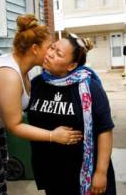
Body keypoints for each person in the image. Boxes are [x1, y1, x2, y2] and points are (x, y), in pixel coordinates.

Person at [0, 14, 83, 195]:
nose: (51, 52)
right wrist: (53, 135)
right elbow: (14, 125)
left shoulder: (25, 70)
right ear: (35, 49)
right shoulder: (9, 75)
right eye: (49, 48)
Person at [27, 34, 116, 195]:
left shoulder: (89, 88)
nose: (50, 53)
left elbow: (105, 130)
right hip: (52, 174)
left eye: (59, 53)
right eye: (52, 47)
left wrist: (101, 172)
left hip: (84, 173)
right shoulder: (37, 83)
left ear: (71, 65)